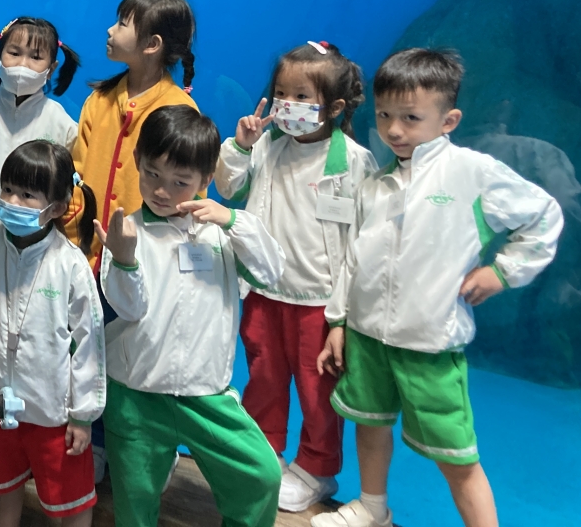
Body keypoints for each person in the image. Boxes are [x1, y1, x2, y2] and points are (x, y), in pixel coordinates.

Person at [312, 49, 563, 527]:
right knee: (369, 423)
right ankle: (372, 506)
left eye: (411, 117)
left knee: (457, 454)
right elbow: (353, 258)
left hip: (430, 342)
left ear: (449, 120)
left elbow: (544, 215)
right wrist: (338, 321)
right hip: (367, 336)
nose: (394, 130)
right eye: (384, 115)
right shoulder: (376, 184)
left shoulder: (471, 173)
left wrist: (503, 272)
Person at [96, 104, 284, 527]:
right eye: (152, 174)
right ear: (138, 162)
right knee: (135, 502)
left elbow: (270, 273)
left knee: (260, 476)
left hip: (205, 394)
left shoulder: (220, 233)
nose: (162, 191)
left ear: (205, 179)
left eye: (180, 182)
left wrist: (233, 219)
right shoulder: (127, 233)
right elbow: (129, 307)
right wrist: (124, 260)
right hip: (137, 395)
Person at [214, 41, 377, 512]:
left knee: (317, 389)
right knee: (264, 377)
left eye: (302, 96)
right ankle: (263, 454)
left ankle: (316, 469)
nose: (288, 104)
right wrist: (240, 146)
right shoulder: (268, 146)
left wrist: (344, 316)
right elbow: (228, 187)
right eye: (282, 93)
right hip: (264, 290)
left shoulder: (354, 161)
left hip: (320, 302)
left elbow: (364, 242)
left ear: (336, 107)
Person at [0, 141, 103, 527]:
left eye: (27, 195)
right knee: (4, 480)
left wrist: (83, 415)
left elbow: (90, 345)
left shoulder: (70, 264)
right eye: (7, 189)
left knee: (70, 495)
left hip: (52, 412)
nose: (12, 201)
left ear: (57, 207)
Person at [67, 0, 197, 260]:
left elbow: (191, 194)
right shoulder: (99, 100)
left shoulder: (180, 110)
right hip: (87, 257)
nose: (110, 30)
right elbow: (77, 174)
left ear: (152, 44)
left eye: (122, 24)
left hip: (150, 261)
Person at [0, 17, 80, 231]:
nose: (22, 65)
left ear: (51, 69)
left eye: (36, 57)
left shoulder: (64, 127)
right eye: (14, 53)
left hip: (33, 241)